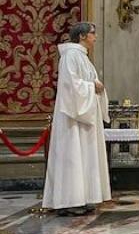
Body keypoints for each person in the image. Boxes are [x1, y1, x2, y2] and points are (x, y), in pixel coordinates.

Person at [42, 22, 111, 216]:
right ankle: (70, 199)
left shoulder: (82, 57)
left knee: (84, 156)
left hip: (85, 115)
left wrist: (95, 85)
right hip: (73, 118)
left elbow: (86, 81)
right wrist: (92, 87)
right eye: (92, 34)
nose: (95, 38)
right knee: (73, 156)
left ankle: (85, 196)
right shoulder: (71, 56)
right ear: (81, 36)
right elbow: (71, 85)